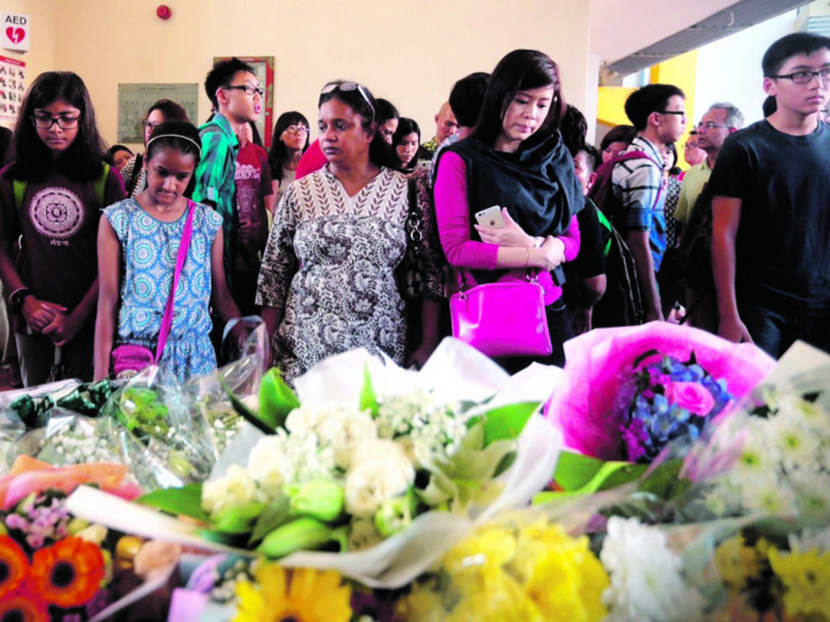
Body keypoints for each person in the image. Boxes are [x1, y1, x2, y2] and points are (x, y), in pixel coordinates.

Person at [256, 80, 443, 380]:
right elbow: (273, 275)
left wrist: (428, 342)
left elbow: (429, 272)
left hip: (379, 355)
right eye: (323, 126)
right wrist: (262, 351)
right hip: (304, 353)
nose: (328, 136)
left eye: (340, 126)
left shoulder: (405, 189)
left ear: (369, 132)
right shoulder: (301, 192)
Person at [434, 49, 583, 370]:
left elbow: (572, 240)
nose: (532, 114)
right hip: (485, 312)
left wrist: (536, 246)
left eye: (543, 104)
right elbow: (456, 250)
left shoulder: (555, 156)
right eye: (521, 101)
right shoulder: (461, 159)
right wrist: (535, 255)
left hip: (548, 309)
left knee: (550, 414)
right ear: (500, 96)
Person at [0, 71, 125, 386]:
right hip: (33, 317)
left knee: (85, 413)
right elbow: (1, 246)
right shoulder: (12, 178)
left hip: (92, 317)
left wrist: (78, 317)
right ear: (31, 120)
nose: (55, 129)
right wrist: (25, 301)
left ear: (82, 120)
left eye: (66, 118)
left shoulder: (106, 179)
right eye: (45, 118)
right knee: (35, 410)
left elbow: (116, 259)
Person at [94, 121, 244, 382]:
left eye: (181, 176)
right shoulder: (117, 220)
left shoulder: (207, 222)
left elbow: (221, 296)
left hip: (195, 362)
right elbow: (107, 302)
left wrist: (248, 339)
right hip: (137, 362)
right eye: (161, 172)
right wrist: (99, 376)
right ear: (145, 163)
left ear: (193, 171)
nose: (169, 185)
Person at [710, 32, 830, 357]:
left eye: (826, 72)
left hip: (822, 308)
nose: (817, 84)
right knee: (759, 405)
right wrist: (728, 314)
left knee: (809, 405)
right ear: (770, 85)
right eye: (802, 74)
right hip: (761, 308)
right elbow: (723, 233)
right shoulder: (744, 147)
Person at [611, 84, 686, 322]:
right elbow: (638, 239)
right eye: (680, 113)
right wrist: (654, 307)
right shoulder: (645, 167)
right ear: (656, 118)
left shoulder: (633, 158)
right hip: (631, 280)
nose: (685, 121)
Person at [192, 57, 262, 282]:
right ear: (222, 96)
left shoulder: (225, 139)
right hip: (209, 269)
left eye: (258, 90)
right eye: (249, 89)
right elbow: (203, 208)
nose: (257, 97)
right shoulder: (216, 138)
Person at [232, 121, 274, 315]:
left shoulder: (260, 155)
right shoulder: (222, 152)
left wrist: (266, 245)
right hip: (229, 242)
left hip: (253, 244)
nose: (243, 129)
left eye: (247, 125)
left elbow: (264, 201)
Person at [120, 99, 189, 198]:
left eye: (156, 126)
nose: (149, 130)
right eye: (148, 124)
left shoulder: (184, 167)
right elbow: (114, 188)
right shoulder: (136, 162)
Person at [268, 111, 310, 208]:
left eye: (303, 129)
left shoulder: (314, 165)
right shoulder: (270, 165)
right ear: (280, 135)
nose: (298, 133)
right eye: (292, 128)